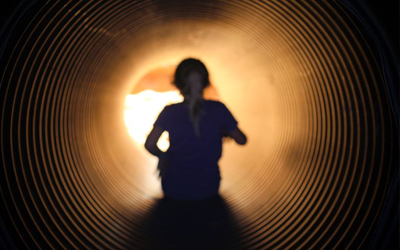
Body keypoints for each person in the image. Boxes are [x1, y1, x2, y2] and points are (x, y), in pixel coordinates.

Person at [145, 58, 247, 200]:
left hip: (174, 188)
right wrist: (224, 131)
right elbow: (242, 140)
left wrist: (164, 157)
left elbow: (150, 144)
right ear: (205, 82)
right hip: (207, 188)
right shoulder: (218, 109)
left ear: (177, 84)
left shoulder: (170, 111)